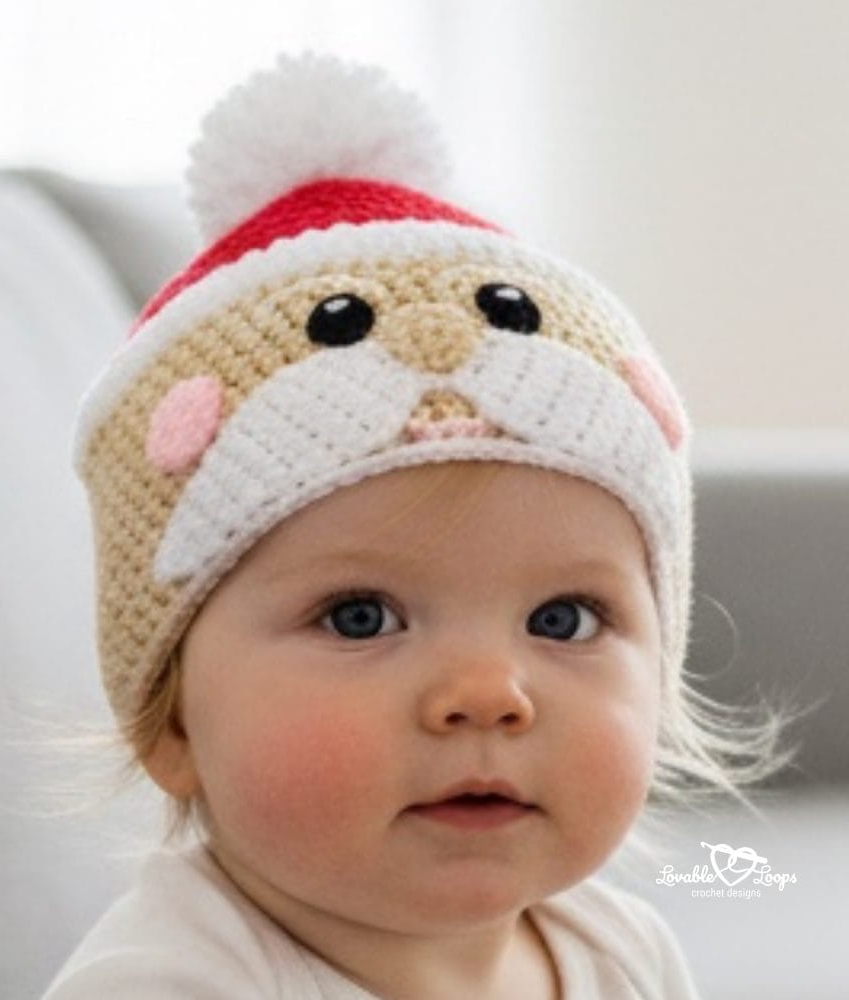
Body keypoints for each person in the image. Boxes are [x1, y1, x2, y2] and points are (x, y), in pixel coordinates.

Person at [43, 52, 788, 999]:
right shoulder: (172, 982)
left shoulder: (620, 954)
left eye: (564, 619)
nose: (488, 693)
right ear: (172, 719)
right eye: (360, 616)